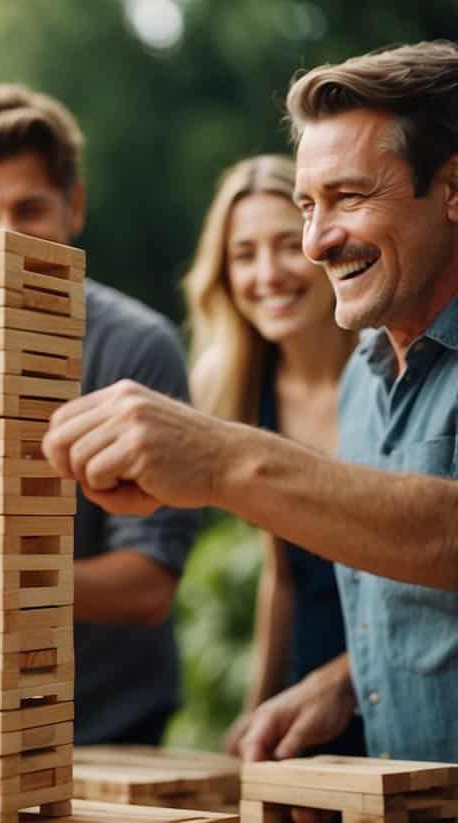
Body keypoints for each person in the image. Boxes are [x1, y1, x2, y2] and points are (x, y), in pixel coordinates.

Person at [42, 40, 458, 762]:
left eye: (350, 197)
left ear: (452, 188)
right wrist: (344, 682)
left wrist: (222, 457)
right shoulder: (366, 374)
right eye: (308, 204)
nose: (318, 240)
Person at [0, 84, 199, 745]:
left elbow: (147, 583)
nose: (6, 234)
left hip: (109, 721)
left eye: (29, 208)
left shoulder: (138, 346)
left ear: (73, 205)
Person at [183, 154, 364, 756]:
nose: (267, 274)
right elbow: (282, 575)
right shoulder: (234, 386)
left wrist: (343, 681)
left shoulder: (394, 371)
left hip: (406, 681)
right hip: (307, 694)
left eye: (287, 245)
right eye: (243, 254)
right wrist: (255, 713)